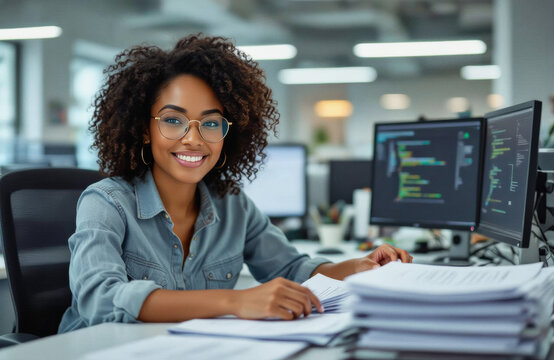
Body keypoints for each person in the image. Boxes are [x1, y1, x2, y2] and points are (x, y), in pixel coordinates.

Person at [58, 34, 412, 333]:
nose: (193, 139)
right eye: (173, 121)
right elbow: (99, 299)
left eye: (211, 124)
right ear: (143, 129)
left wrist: (358, 267)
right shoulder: (106, 202)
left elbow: (293, 269)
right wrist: (236, 300)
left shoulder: (232, 204)